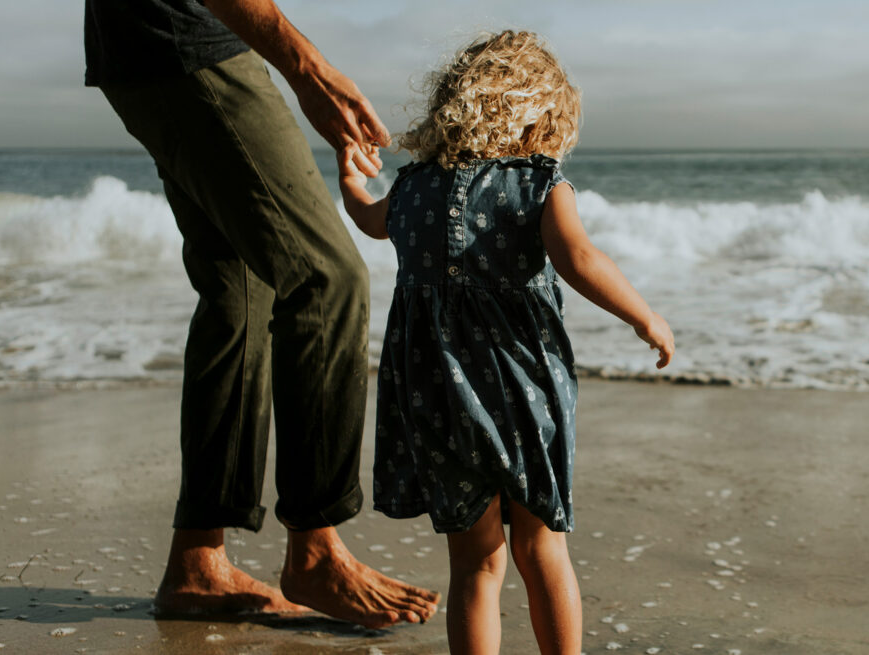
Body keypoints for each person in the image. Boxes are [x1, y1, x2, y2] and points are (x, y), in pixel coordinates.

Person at [84, 0, 438, 628]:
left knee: (239, 288)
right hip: (185, 34)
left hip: (144, 45)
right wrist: (308, 70)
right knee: (327, 277)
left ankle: (197, 562)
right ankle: (316, 549)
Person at [337, 30, 675, 654]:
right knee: (541, 545)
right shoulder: (539, 185)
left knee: (475, 563)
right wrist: (644, 314)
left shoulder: (412, 189)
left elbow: (366, 219)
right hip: (523, 394)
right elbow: (578, 257)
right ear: (542, 116)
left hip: (435, 396)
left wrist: (349, 177)